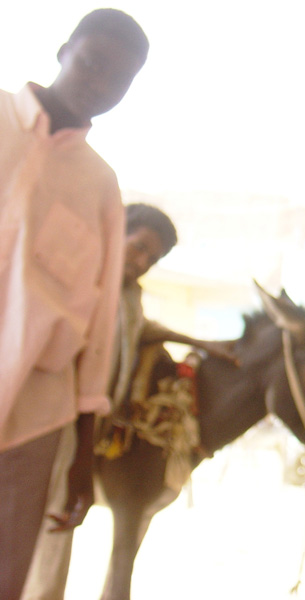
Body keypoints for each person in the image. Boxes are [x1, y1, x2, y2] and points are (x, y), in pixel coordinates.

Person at [0, 10, 148, 599]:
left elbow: (97, 327)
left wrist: (81, 454)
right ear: (64, 50)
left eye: (118, 78)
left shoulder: (101, 185)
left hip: (36, 417)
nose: (99, 82)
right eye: (91, 62)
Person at [22, 203, 238, 600]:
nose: (141, 262)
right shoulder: (81, 279)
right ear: (117, 230)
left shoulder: (128, 296)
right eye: (138, 248)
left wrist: (200, 343)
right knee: (33, 538)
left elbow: (140, 331)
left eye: (152, 259)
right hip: (46, 421)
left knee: (52, 542)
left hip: (78, 433)